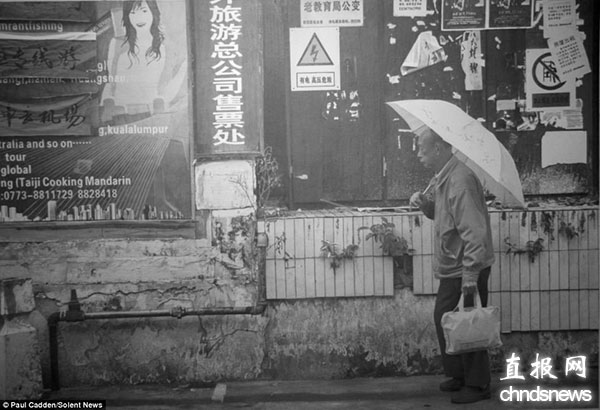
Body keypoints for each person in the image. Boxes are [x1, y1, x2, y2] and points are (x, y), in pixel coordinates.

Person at [410, 125, 495, 404]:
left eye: (422, 149)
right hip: (453, 264)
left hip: (466, 266)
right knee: (445, 317)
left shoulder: (460, 180)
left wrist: (471, 273)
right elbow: (446, 217)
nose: (418, 155)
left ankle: (478, 384)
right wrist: (425, 205)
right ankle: (459, 375)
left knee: (468, 321)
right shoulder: (444, 177)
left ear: (438, 148)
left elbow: (475, 231)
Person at [101, 0, 187, 122]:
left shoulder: (166, 47)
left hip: (153, 114)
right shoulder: (116, 44)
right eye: (133, 13)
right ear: (127, 16)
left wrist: (161, 101)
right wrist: (108, 103)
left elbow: (170, 85)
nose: (139, 18)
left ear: (153, 13)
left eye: (144, 11)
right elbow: (111, 81)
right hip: (120, 114)